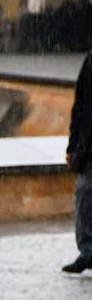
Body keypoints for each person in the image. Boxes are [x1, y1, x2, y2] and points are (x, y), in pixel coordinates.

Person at [63, 50, 92, 274]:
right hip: (88, 145)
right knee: (84, 194)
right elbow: (80, 105)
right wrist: (73, 146)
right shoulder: (90, 61)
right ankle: (87, 251)